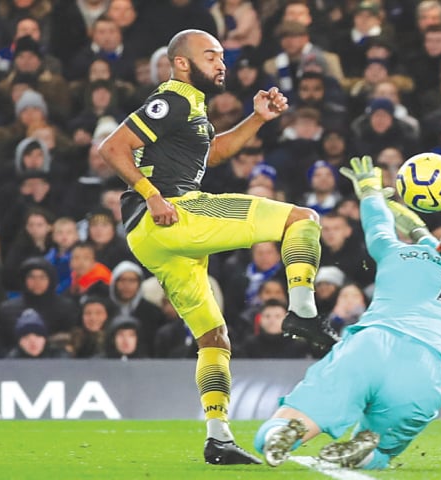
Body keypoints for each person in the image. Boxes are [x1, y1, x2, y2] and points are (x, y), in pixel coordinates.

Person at [97, 29, 337, 465]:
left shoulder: (193, 110)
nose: (220, 64)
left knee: (214, 336)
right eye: (211, 56)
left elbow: (215, 152)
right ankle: (303, 313)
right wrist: (153, 194)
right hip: (173, 212)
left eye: (222, 56)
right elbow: (112, 148)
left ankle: (218, 436)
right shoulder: (173, 98)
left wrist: (258, 118)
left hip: (152, 238)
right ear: (183, 63)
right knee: (304, 219)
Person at [254, 155, 441, 470]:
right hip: (429, 370)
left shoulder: (399, 254)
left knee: (284, 426)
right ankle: (367, 450)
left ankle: (285, 431)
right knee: (382, 452)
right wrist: (418, 230)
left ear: (440, 245)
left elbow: (380, 228)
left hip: (371, 346)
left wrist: (370, 193)